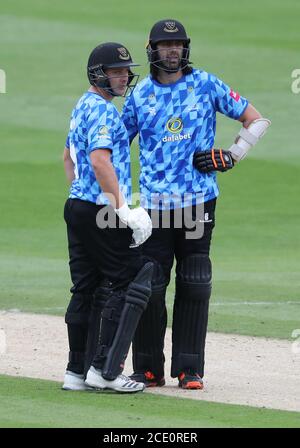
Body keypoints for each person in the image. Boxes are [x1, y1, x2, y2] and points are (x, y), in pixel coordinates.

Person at [121, 19, 271, 389]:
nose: (173, 51)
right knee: (150, 285)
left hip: (197, 202)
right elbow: (118, 145)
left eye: (178, 44)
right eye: (165, 45)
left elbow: (256, 119)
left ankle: (190, 369)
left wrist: (233, 155)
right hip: (153, 207)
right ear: (151, 50)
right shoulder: (140, 96)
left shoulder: (205, 84)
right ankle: (148, 367)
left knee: (194, 281)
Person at [62, 42, 154, 393]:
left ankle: (75, 371)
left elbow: (68, 158)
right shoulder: (102, 111)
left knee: (85, 287)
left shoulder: (82, 106)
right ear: (98, 73)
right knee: (130, 278)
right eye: (116, 71)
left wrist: (81, 194)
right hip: (100, 210)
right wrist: (121, 209)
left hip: (79, 207)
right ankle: (106, 369)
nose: (124, 76)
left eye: (125, 70)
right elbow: (100, 161)